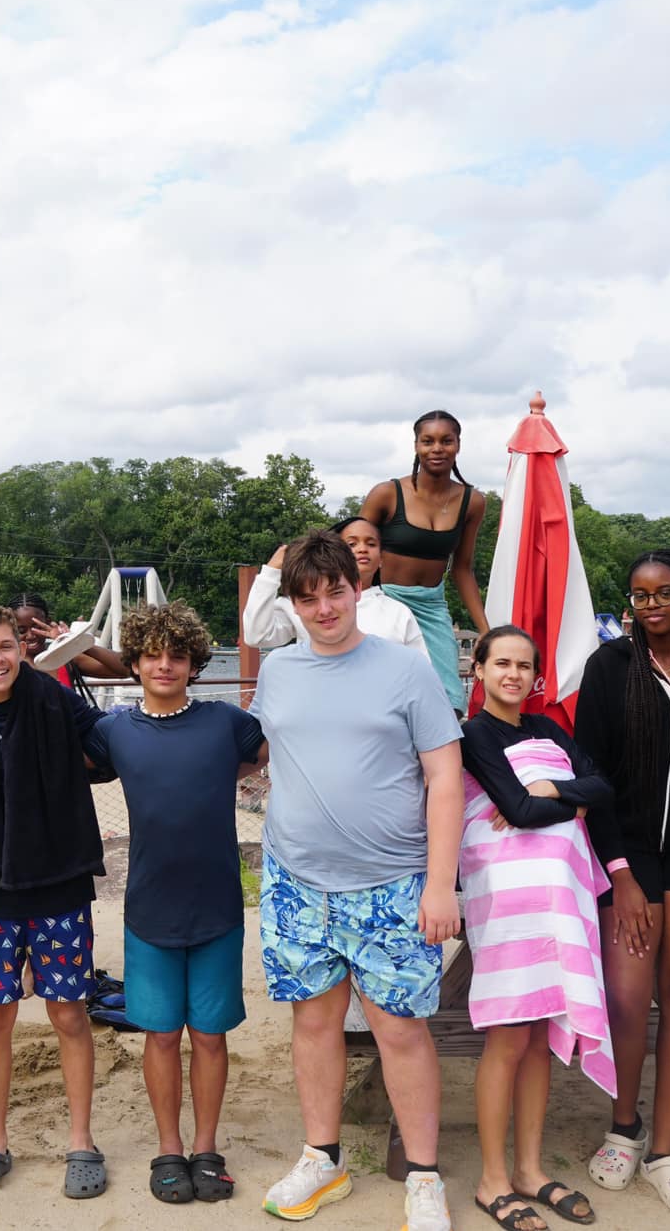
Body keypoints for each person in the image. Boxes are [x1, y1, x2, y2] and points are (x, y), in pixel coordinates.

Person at [250, 533, 463, 1228]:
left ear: (357, 589)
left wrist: (440, 884)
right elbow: (260, 756)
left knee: (400, 1029)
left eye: (335, 592)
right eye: (307, 598)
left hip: (393, 882)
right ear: (294, 604)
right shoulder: (278, 671)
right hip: (296, 880)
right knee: (313, 1022)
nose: (324, 608)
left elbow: (444, 777)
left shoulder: (407, 668)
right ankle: (323, 1156)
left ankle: (424, 1175)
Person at [82, 602, 265, 1207]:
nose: (165, 665)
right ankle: (168, 1148)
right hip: (148, 911)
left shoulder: (226, 723)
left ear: (195, 663)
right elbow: (58, 756)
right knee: (160, 1035)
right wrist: (50, 660)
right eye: (152, 655)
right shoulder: (113, 731)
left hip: (217, 907)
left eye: (177, 655)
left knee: (209, 1036)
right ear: (133, 663)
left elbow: (273, 752)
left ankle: (206, 1148)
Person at [0, 604, 111, 1200]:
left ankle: (82, 1140)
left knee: (68, 1012)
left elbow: (108, 748)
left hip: (57, 874)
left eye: (6, 646)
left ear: (22, 648)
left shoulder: (52, 697)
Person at [574, 549, 670, 1217]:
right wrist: (621, 874)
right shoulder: (609, 669)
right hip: (628, 852)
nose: (652, 605)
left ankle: (667, 1150)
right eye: (640, 596)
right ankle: (624, 1126)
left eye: (666, 592)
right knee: (629, 1000)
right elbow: (591, 778)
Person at [459, 627, 617, 1231]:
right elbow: (517, 812)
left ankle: (529, 1169)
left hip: (557, 903)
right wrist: (569, 802)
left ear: (536, 677)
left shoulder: (548, 730)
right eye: (501, 663)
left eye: (525, 666)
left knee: (540, 1032)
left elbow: (602, 787)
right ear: (478, 669)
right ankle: (492, 1179)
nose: (513, 675)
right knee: (507, 1037)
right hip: (509, 901)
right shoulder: (472, 734)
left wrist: (559, 790)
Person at [359, 410, 489, 710]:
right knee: (384, 694)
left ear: (458, 444)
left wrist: (485, 630)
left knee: (448, 699)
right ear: (416, 445)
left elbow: (462, 569)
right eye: (427, 441)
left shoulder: (472, 501)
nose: (437, 449)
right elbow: (350, 551)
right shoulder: (387, 494)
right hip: (383, 599)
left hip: (432, 605)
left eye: (446, 441)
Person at [243, 516, 430, 663]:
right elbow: (257, 635)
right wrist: (271, 572)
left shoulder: (398, 612)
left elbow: (422, 674)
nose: (362, 549)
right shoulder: (303, 607)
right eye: (351, 544)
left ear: (382, 558)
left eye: (371, 544)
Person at [8, 591, 129, 688]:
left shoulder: (65, 656)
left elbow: (126, 669)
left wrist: (77, 643)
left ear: (48, 622)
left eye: (37, 628)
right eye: (21, 631)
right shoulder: (7, 664)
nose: (30, 636)